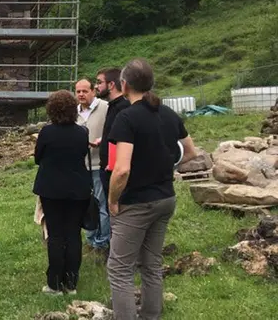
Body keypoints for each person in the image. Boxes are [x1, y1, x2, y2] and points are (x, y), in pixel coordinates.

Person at [106, 58, 197, 320]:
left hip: (136, 202)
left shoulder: (126, 118)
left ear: (124, 85)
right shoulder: (168, 114)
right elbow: (190, 151)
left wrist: (113, 200)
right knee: (152, 264)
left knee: (120, 269)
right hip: (165, 198)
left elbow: (121, 169)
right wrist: (166, 166)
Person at [33, 90, 92, 295]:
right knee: (73, 234)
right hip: (78, 188)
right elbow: (83, 153)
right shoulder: (82, 132)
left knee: (56, 235)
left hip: (51, 188)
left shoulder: (46, 133)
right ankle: (71, 283)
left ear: (51, 110)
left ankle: (55, 283)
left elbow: (38, 158)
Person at [75, 79, 110, 254]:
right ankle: (90, 238)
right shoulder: (75, 112)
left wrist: (102, 141)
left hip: (99, 164)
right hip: (81, 166)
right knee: (85, 204)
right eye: (78, 91)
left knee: (101, 203)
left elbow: (112, 130)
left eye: (84, 91)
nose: (81, 94)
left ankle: (102, 241)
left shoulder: (105, 107)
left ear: (93, 92)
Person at [95, 67, 130, 201]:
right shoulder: (112, 106)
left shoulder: (123, 108)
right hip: (106, 168)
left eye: (99, 82)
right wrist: (103, 140)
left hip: (115, 171)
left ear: (111, 85)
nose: (96, 86)